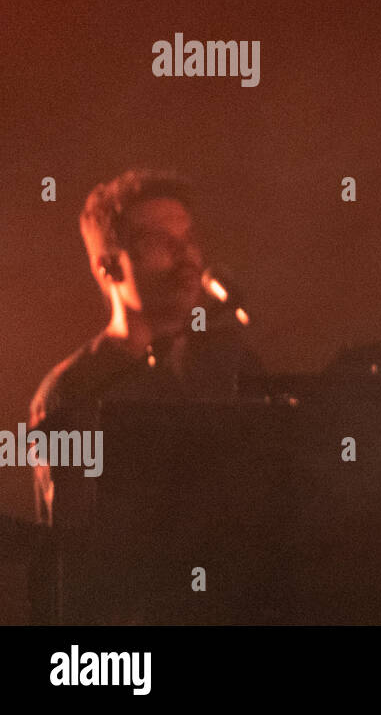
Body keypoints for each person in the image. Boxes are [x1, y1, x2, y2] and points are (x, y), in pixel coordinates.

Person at [27, 168, 264, 622]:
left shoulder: (231, 365)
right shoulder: (71, 392)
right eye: (160, 242)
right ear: (108, 265)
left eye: (188, 240)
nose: (187, 258)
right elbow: (74, 559)